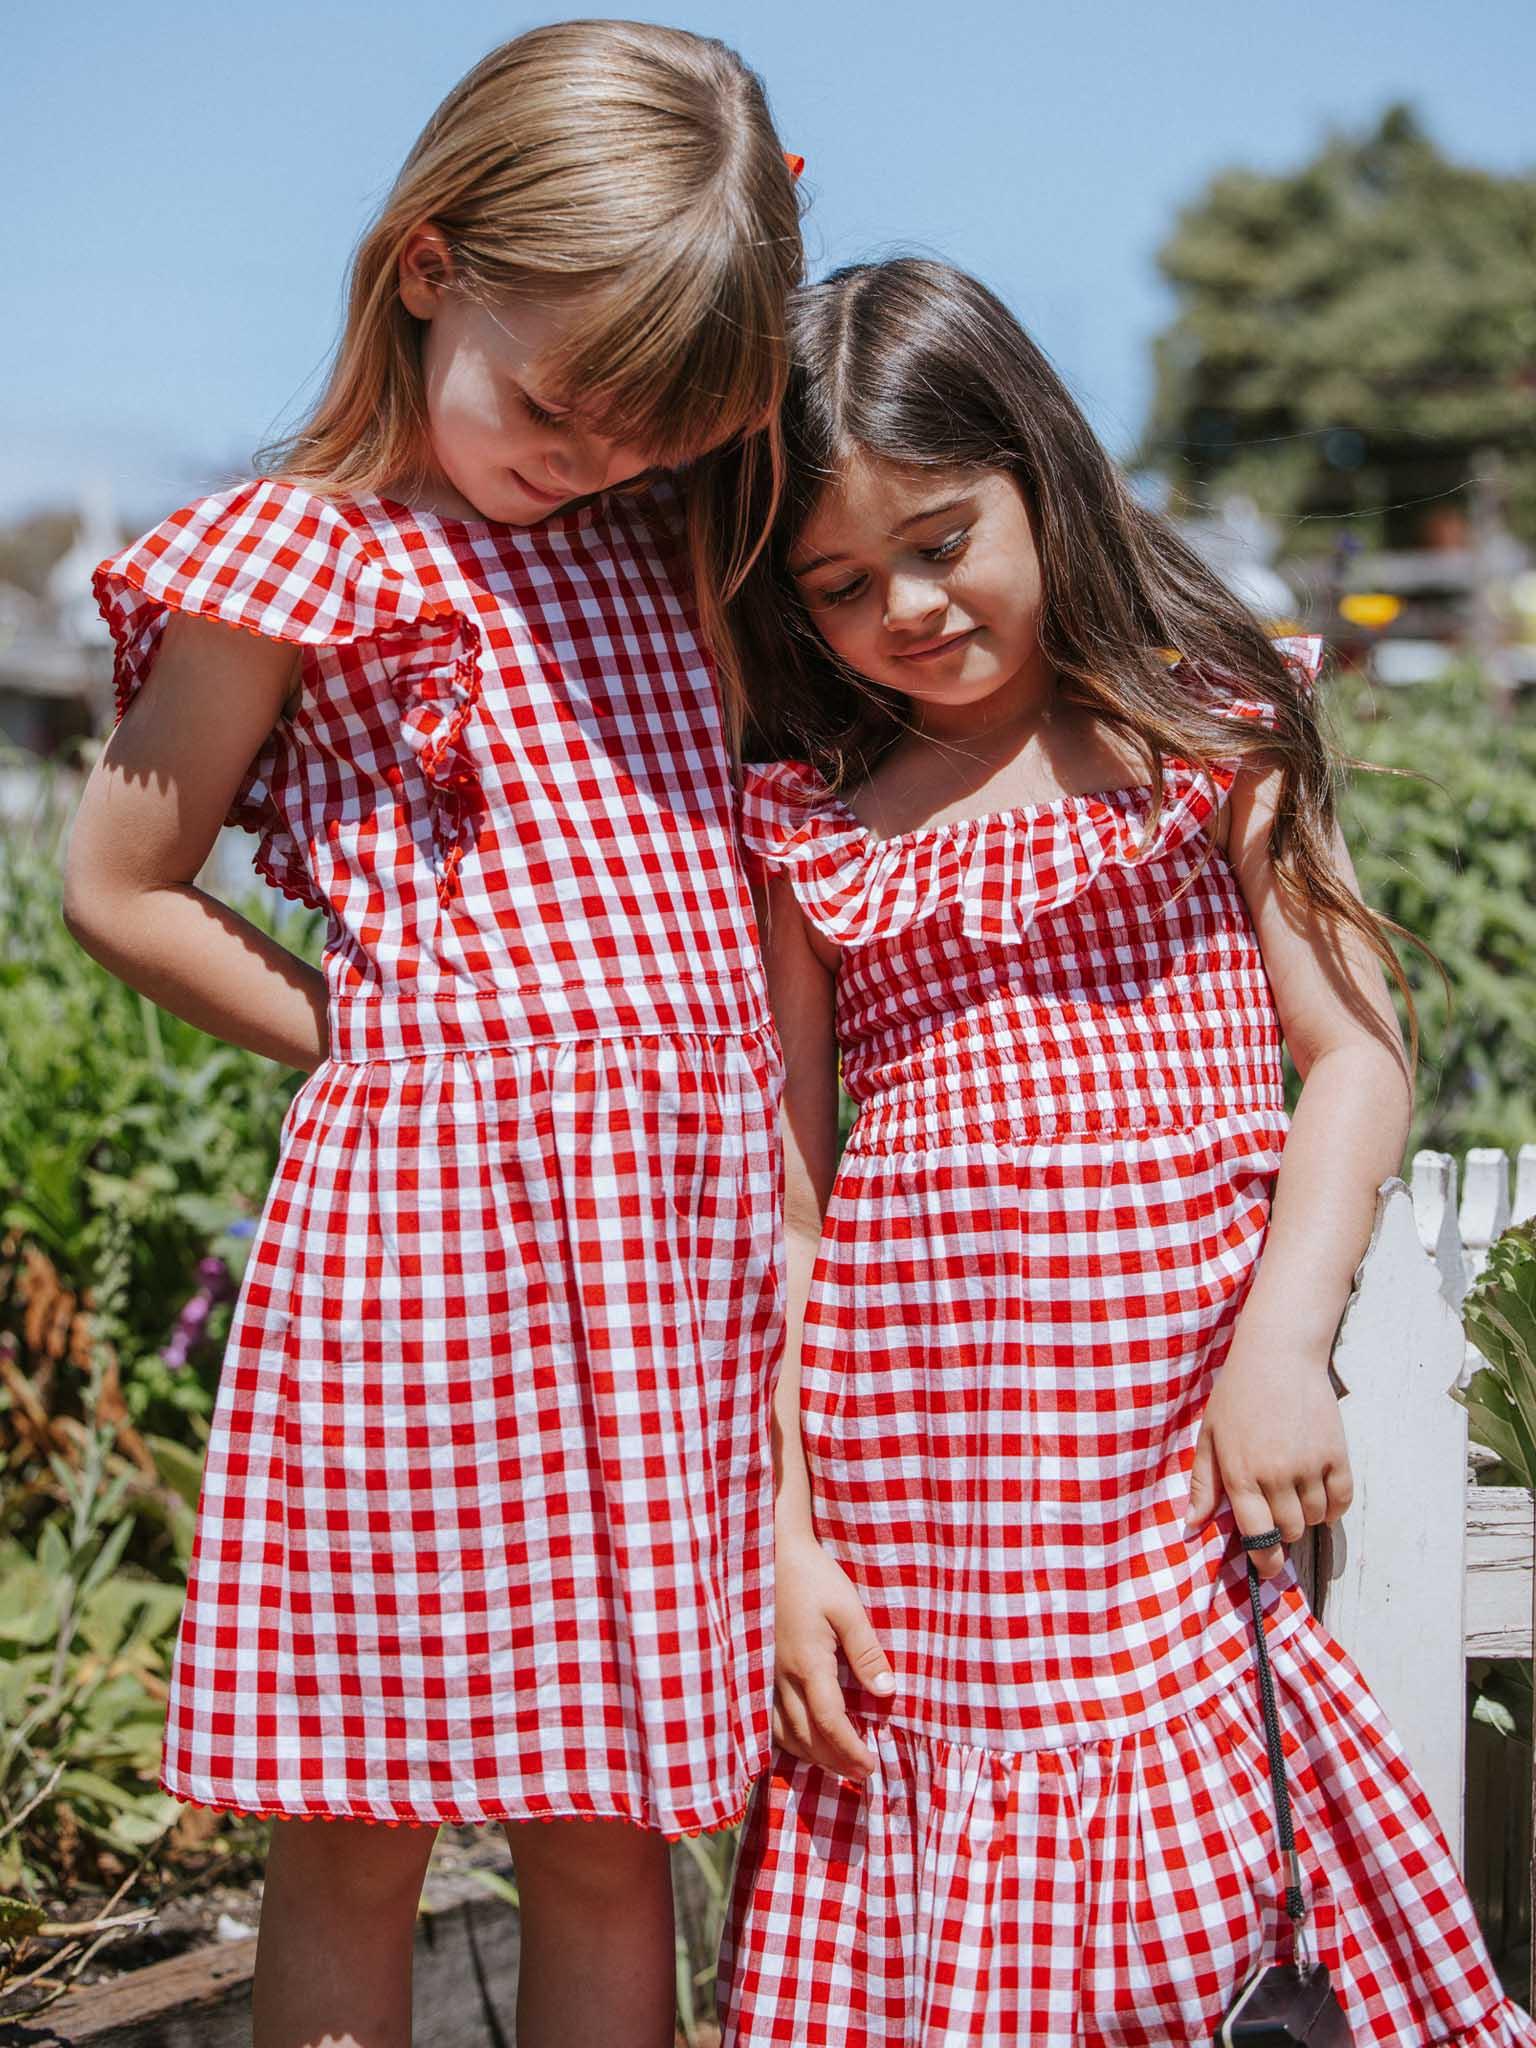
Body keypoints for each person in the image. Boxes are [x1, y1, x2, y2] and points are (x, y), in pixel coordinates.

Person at [66, 25, 802, 2048]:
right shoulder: (303, 555)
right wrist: (376, 1037)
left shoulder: (672, 550)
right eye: (566, 407)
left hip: (672, 1260)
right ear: (426, 267)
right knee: (356, 1807)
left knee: (611, 1816)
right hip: (427, 1264)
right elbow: (116, 888)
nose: (595, 462)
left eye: (652, 432)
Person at [716, 257, 1533, 2047]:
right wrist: (779, 1535)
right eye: (839, 584)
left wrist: (1279, 1339)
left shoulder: (1199, 735)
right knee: (919, 1861)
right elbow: (779, 1184)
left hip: (1161, 1441)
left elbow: (1357, 1059)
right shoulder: (817, 815)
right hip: (903, 1467)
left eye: (941, 540)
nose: (904, 609)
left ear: (1044, 473)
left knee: (1188, 1888)